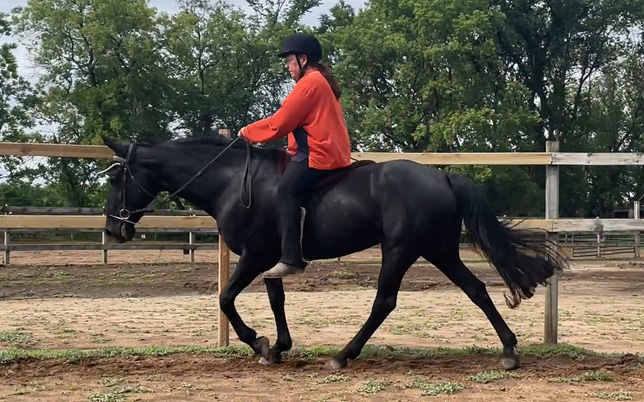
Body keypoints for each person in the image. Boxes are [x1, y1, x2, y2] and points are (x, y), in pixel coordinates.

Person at [238, 33, 352, 278]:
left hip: (319, 153)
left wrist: (246, 133)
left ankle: (291, 257)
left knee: (286, 189)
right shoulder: (319, 81)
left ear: (302, 60)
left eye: (289, 61)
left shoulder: (310, 83)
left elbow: (280, 123)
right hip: (322, 150)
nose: (287, 66)